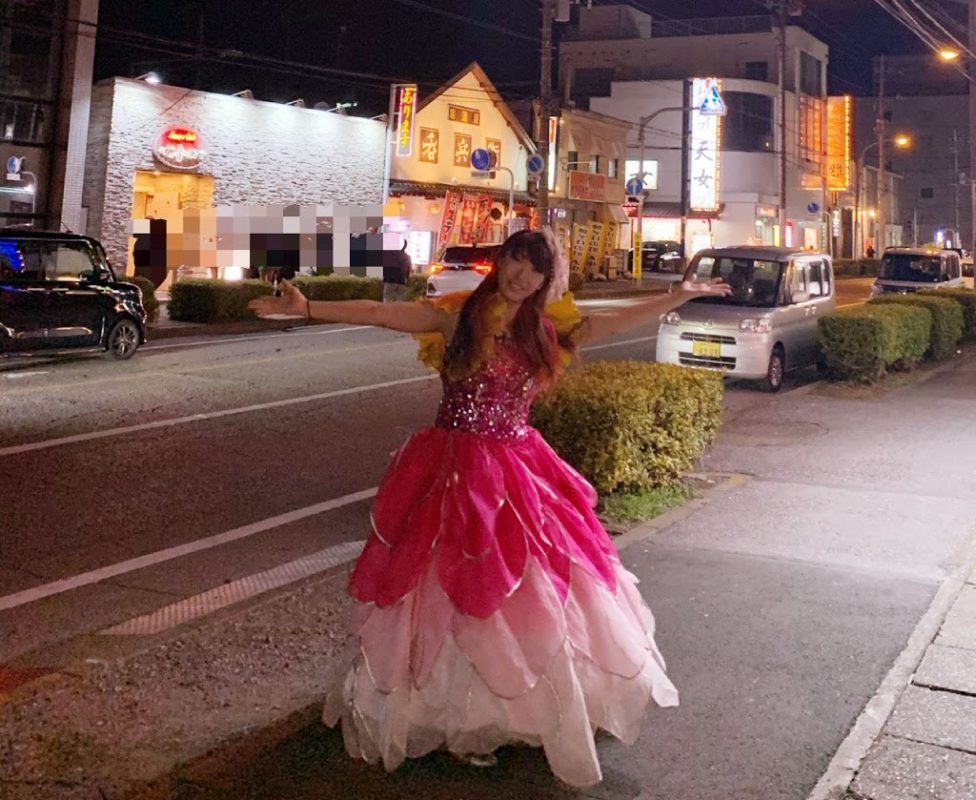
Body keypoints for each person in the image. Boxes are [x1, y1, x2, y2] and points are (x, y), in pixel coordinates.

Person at [248, 229, 730, 788]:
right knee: (443, 591)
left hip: (518, 471)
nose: (519, 275)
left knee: (524, 590)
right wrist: (310, 309)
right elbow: (384, 315)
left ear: (547, 281)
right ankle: (452, 711)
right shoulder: (458, 317)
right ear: (500, 263)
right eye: (513, 261)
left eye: (533, 269)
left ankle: (516, 711)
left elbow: (620, 320)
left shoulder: (548, 330)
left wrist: (680, 295)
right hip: (451, 469)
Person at [383, 235, 412, 303]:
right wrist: (407, 280)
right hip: (402, 282)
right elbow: (408, 271)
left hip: (390, 281)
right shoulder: (407, 257)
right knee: (400, 303)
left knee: (387, 302)